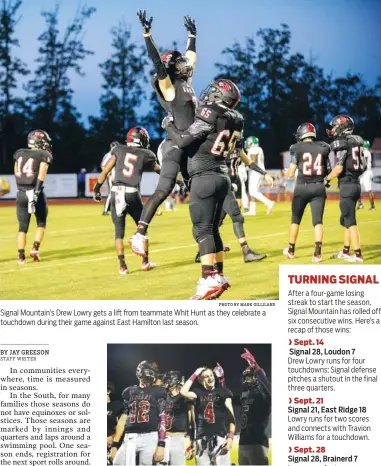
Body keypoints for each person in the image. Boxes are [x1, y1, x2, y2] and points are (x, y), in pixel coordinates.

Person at [165, 79, 273, 299]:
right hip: (222, 176)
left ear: (219, 96)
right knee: (214, 229)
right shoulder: (236, 119)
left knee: (202, 230)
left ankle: (207, 279)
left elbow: (184, 140)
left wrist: (168, 125)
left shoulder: (211, 112)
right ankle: (220, 275)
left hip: (205, 176)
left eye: (213, 91)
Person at [130, 10, 197, 257]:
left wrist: (192, 36)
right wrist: (147, 35)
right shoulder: (169, 88)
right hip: (173, 145)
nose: (184, 64)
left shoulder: (186, 84)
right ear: (170, 69)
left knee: (203, 191)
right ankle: (139, 234)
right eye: (178, 63)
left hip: (189, 143)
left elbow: (191, 57)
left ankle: (208, 242)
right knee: (164, 188)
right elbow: (157, 62)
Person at [93, 127, 160, 274]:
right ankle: (145, 262)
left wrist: (97, 188)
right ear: (142, 140)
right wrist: (174, 178)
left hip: (116, 193)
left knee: (118, 232)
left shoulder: (118, 150)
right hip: (132, 193)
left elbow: (105, 170)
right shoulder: (146, 154)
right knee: (142, 228)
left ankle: (122, 266)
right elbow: (158, 170)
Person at [194, 145, 270, 264]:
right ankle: (246, 252)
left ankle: (202, 252)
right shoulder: (218, 147)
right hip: (222, 184)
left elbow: (249, 162)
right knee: (237, 217)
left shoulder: (237, 149)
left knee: (215, 222)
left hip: (232, 184)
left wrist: (264, 173)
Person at [283, 122, 331, 262]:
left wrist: (288, 173)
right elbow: (327, 170)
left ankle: (291, 250)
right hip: (318, 187)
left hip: (302, 187)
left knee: (295, 220)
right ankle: (317, 254)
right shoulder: (323, 147)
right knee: (318, 221)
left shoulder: (296, 148)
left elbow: (291, 173)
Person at [111, 361, 167, 465]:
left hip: (149, 436)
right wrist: (115, 444)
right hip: (130, 437)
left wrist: (161, 444)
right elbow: (123, 418)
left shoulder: (159, 391)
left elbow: (162, 417)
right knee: (117, 463)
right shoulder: (129, 391)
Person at [327, 115, 365, 262]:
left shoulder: (343, 143)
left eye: (335, 126)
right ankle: (346, 251)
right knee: (346, 220)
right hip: (355, 183)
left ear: (342, 127)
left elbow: (338, 168)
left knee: (350, 221)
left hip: (347, 185)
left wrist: (326, 179)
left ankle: (358, 254)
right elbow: (363, 166)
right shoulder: (356, 141)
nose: (333, 129)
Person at [180, 367, 235, 465]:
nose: (210, 378)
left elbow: (232, 419)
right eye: (206, 376)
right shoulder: (197, 392)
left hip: (220, 439)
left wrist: (230, 438)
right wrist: (195, 373)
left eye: (211, 375)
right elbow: (183, 392)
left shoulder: (223, 392)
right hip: (201, 441)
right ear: (200, 380)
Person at [13, 129, 53, 264]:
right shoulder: (43, 154)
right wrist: (36, 193)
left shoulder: (19, 153)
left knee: (22, 227)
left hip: (21, 193)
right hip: (35, 191)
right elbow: (42, 173)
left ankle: (21, 257)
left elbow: (16, 172)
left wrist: (20, 188)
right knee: (41, 223)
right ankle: (35, 249)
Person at [239, 348, 271, 465]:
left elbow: (269, 390)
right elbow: (225, 397)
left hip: (257, 443)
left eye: (249, 377)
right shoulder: (244, 396)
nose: (246, 380)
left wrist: (255, 366)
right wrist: (221, 380)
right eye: (245, 377)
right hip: (242, 443)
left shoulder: (264, 395)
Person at [162, 370, 196, 465]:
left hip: (178, 438)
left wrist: (192, 441)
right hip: (162, 438)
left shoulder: (185, 398)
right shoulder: (162, 397)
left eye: (168, 380)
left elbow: (192, 422)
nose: (165, 382)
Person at [244, 136, 275, 215]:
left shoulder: (254, 149)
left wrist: (245, 164)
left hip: (256, 172)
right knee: (253, 191)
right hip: (258, 172)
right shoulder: (258, 149)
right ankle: (252, 210)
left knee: (253, 192)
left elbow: (253, 161)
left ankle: (268, 202)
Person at [101, 141, 120, 216]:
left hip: (118, 176)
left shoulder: (117, 155)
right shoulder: (109, 155)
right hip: (112, 177)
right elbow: (102, 165)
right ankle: (105, 210)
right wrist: (109, 174)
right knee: (111, 193)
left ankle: (117, 209)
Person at [107, 381, 123, 463]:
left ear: (108, 391)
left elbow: (122, 426)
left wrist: (113, 440)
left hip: (112, 447)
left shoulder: (118, 406)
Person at [357, 139, 375, 211]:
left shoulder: (365, 152)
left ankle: (373, 206)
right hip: (364, 172)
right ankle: (360, 204)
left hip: (366, 172)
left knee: (368, 189)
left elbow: (363, 163)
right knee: (357, 189)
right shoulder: (366, 152)